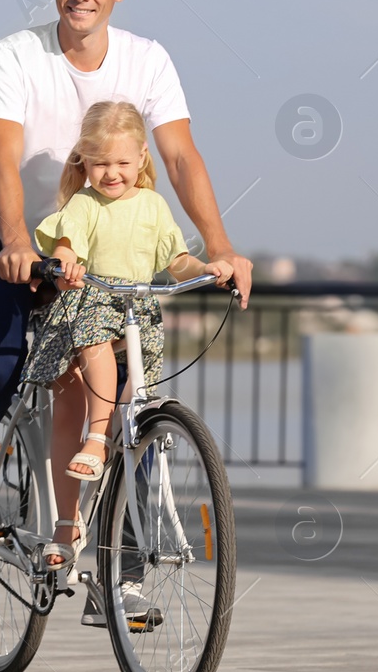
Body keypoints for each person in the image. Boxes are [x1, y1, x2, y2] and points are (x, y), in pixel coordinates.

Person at [0, 0, 253, 603]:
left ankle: (111, 554)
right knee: (0, 364)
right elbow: (2, 160)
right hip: (15, 247)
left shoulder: (147, 60)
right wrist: (16, 244)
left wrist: (220, 248)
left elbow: (179, 157)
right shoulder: (14, 55)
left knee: (117, 395)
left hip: (110, 264)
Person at [19, 101, 233, 570]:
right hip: (86, 304)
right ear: (83, 163)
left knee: (133, 411)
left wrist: (207, 268)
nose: (111, 174)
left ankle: (113, 491)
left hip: (137, 314)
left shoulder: (153, 206)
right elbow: (65, 242)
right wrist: (66, 261)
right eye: (99, 164)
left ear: (141, 157)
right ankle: (70, 510)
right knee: (73, 405)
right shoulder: (83, 204)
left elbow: (175, 259)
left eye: (121, 163)